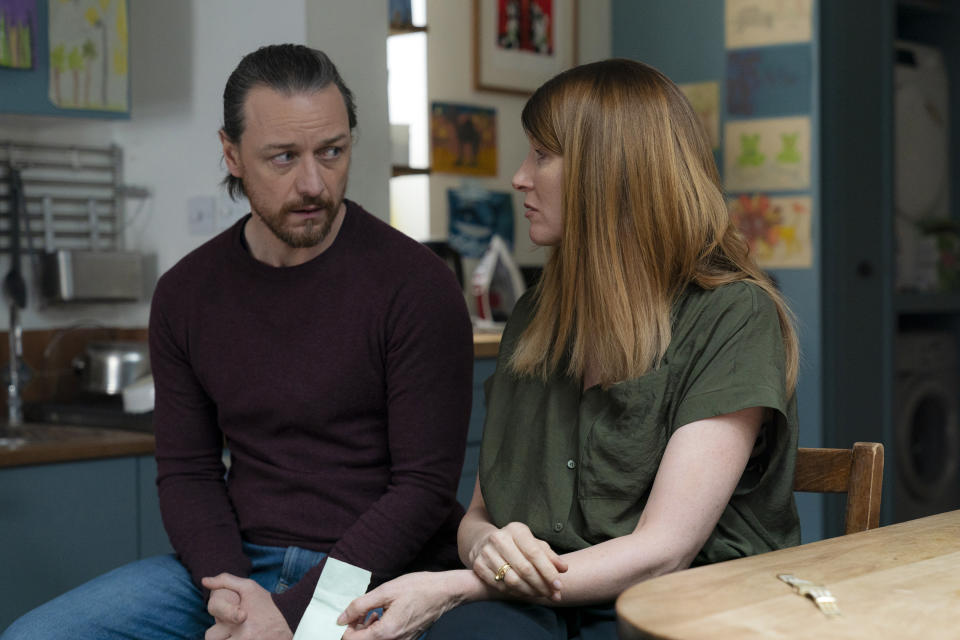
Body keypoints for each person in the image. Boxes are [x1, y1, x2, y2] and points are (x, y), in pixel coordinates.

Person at [2, 44, 473, 640]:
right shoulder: (186, 294)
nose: (313, 183)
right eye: (283, 157)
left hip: (378, 573)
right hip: (238, 567)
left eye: (332, 152)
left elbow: (423, 490)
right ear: (231, 154)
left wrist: (295, 615)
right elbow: (188, 473)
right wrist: (233, 598)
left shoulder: (418, 286)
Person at [336, 58, 801, 640]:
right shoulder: (535, 315)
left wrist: (456, 584)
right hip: (548, 600)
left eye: (541, 155)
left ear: (611, 172)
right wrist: (488, 546)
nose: (519, 177)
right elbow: (480, 514)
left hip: (685, 599)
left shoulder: (732, 315)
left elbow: (663, 552)